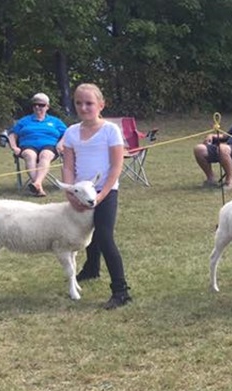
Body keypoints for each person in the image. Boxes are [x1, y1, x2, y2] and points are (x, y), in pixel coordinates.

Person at [62, 83, 133, 309]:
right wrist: (71, 193)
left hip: (105, 191)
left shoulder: (110, 130)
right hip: (81, 192)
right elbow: (68, 166)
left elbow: (115, 167)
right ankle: (92, 268)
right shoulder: (71, 132)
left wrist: (101, 196)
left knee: (103, 235)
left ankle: (121, 290)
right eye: (79, 103)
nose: (84, 107)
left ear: (101, 105)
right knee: (85, 231)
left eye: (89, 103)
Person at [8, 93, 67, 197]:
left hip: (50, 145)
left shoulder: (55, 121)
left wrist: (60, 144)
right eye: (35, 104)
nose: (37, 107)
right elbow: (12, 135)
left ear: (47, 107)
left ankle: (36, 184)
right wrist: (14, 147)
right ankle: (38, 185)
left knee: (45, 155)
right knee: (30, 155)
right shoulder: (24, 120)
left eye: (41, 105)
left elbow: (67, 134)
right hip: (27, 145)